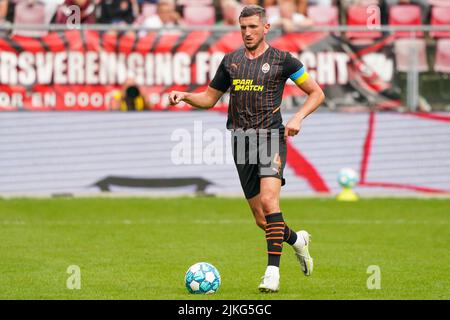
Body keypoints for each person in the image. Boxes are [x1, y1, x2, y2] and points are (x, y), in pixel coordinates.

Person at [169, 5, 324, 292]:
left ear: (266, 28)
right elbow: (209, 99)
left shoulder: (283, 60)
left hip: (270, 137)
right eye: (243, 28)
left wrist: (298, 116)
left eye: (253, 27)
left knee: (269, 201)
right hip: (240, 141)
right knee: (262, 219)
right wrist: (185, 96)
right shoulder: (231, 62)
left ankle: (272, 274)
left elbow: (317, 92)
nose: (247, 33)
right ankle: (297, 240)